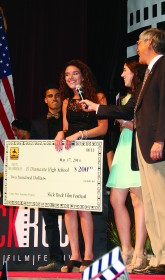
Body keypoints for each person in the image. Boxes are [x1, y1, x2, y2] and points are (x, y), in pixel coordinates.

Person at [80, 28, 165, 275]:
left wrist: (160, 140)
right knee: (152, 202)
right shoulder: (148, 73)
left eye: (139, 42)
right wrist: (97, 108)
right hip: (144, 147)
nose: (137, 46)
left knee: (164, 202)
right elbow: (130, 110)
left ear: (150, 42)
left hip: (157, 145)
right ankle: (159, 257)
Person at [54, 59, 108, 272]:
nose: (71, 78)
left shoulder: (98, 98)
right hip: (71, 155)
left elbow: (103, 129)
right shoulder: (67, 102)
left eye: (75, 73)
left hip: (90, 154)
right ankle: (74, 255)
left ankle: (88, 255)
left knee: (84, 206)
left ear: (83, 76)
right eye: (67, 75)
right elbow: (66, 128)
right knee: (69, 207)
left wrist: (81, 135)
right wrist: (61, 132)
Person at [107, 59, 148, 273]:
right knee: (116, 199)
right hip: (124, 147)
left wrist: (128, 123)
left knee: (137, 199)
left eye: (125, 71)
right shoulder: (124, 97)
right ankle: (126, 249)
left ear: (135, 73)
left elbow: (147, 124)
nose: (122, 75)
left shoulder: (142, 94)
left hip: (136, 146)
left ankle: (140, 251)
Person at [30, 84, 65, 271]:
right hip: (47, 178)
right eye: (50, 96)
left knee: (75, 217)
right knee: (50, 221)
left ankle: (81, 259)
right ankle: (56, 259)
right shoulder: (36, 124)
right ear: (45, 100)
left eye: (57, 95)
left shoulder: (70, 122)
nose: (54, 98)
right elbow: (34, 152)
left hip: (69, 176)